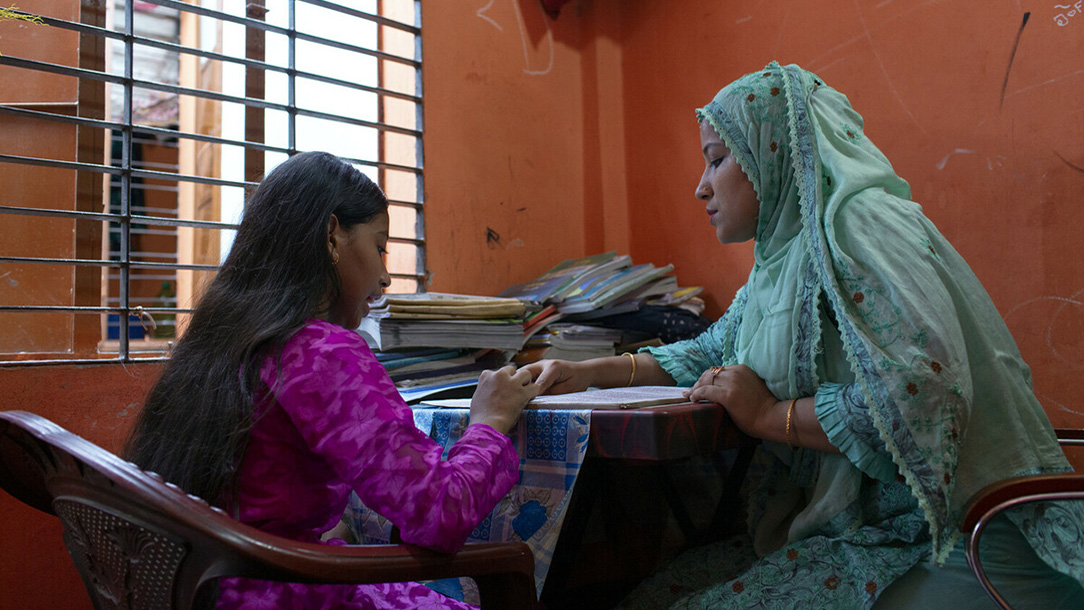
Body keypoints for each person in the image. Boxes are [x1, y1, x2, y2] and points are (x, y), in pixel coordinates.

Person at [524, 62, 1084, 609]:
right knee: (657, 589)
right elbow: (710, 350)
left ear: (771, 154)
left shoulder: (856, 228)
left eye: (717, 160)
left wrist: (769, 415)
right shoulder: (783, 258)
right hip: (885, 523)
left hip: (962, 529)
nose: (701, 188)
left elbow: (924, 398)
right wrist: (588, 371)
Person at [124, 151, 540, 609]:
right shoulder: (322, 352)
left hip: (207, 590)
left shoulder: (220, 340)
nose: (383, 276)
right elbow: (441, 512)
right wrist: (490, 422)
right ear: (332, 235)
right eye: (379, 247)